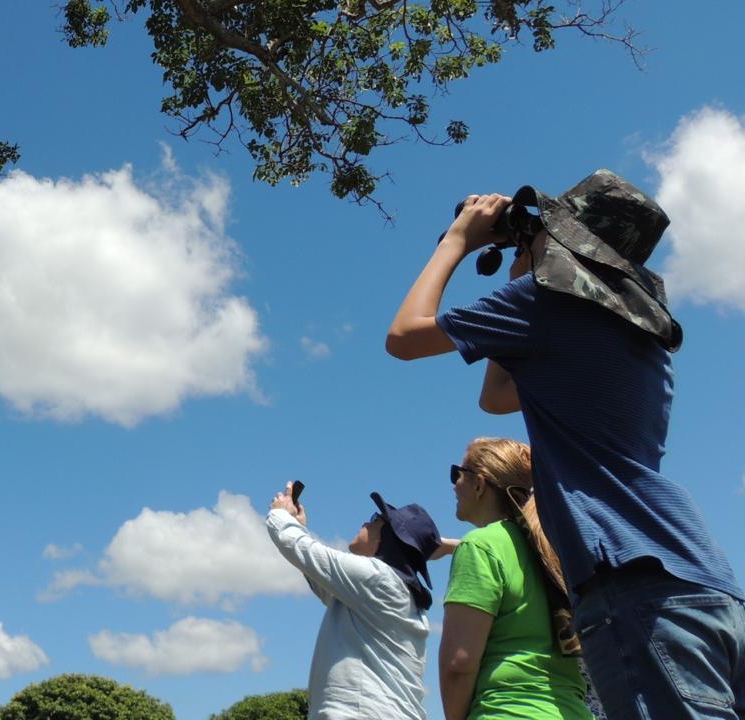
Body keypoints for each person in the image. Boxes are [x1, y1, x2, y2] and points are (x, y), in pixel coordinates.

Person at [386, 170, 745, 719]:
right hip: (705, 581)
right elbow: (498, 397)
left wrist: (458, 241)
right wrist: (526, 275)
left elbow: (404, 337)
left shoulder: (545, 307)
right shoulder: (644, 334)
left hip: (632, 582)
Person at [267, 482, 455, 720]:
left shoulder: (377, 578)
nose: (365, 522)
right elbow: (322, 578)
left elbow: (298, 547)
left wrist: (280, 514)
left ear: (389, 538)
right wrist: (299, 527)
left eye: (376, 519)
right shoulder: (389, 591)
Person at [441, 437, 592, 720]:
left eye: (457, 474)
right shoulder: (557, 550)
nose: (453, 484)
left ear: (479, 484)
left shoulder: (480, 546)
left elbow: (458, 665)